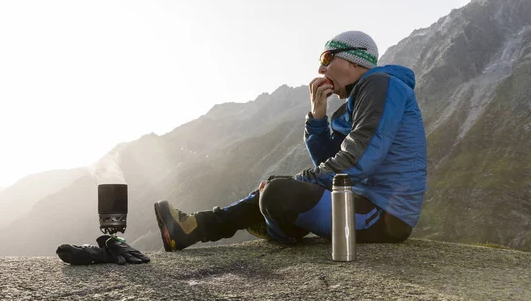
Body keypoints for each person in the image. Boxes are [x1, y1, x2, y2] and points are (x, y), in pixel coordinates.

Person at [154, 30, 427, 251]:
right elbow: (329, 163)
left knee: (277, 192)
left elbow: (360, 160)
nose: (321, 69)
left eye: (327, 57)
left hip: (382, 216)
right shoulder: (359, 100)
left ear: (355, 61)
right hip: (358, 203)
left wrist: (297, 183)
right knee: (275, 187)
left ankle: (279, 227)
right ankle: (192, 228)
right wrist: (317, 117)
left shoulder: (379, 84)